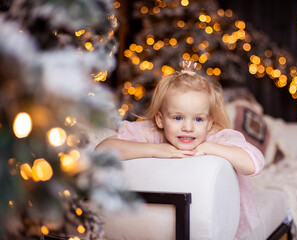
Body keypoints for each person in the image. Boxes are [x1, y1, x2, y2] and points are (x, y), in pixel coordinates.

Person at [95, 60, 264, 238]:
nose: (188, 128)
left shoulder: (215, 137)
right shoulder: (152, 132)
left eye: (198, 119)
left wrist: (211, 147)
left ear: (209, 122)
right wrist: (155, 150)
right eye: (177, 118)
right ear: (160, 120)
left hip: (218, 213)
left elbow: (254, 164)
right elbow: (102, 150)